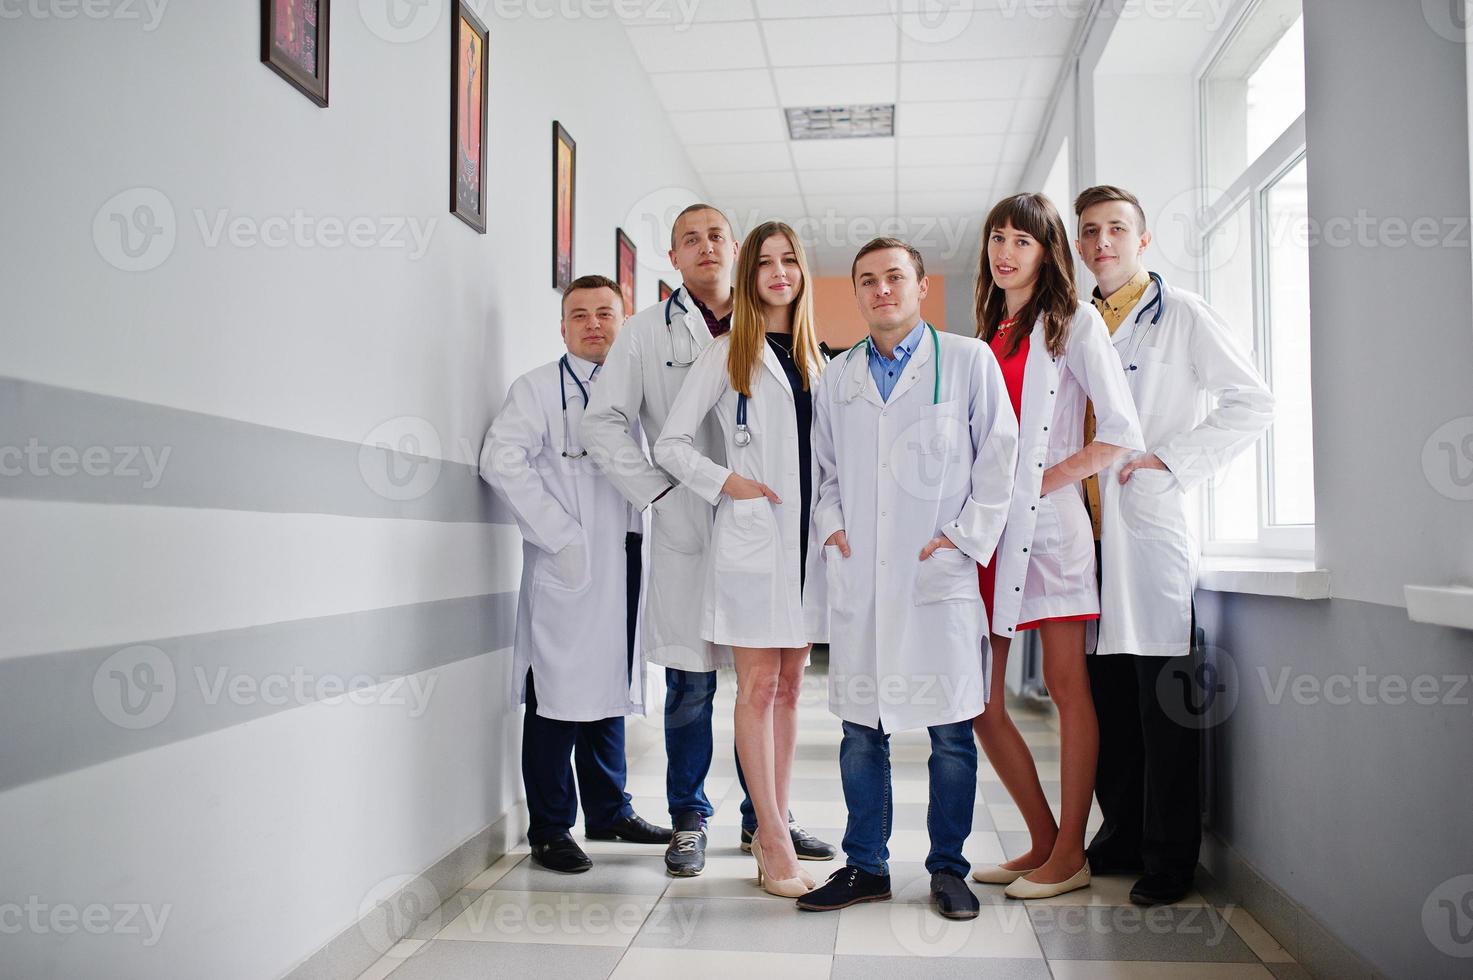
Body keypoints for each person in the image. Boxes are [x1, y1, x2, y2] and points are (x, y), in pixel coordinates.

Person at [581, 204, 835, 877]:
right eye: (688, 240)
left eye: (715, 235)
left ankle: (766, 820)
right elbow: (602, 425)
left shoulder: (798, 340)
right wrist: (663, 493)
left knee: (778, 683)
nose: (704, 248)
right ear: (673, 257)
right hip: (693, 526)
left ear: (735, 250)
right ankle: (689, 819)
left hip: (775, 532)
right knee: (693, 685)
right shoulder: (645, 334)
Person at [797, 237, 1018, 921]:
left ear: (920, 286)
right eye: (866, 280)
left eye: (894, 277)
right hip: (863, 574)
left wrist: (961, 540)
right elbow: (825, 472)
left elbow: (999, 461)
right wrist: (832, 526)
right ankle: (865, 866)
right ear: (858, 293)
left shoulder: (967, 360)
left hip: (936, 572)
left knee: (951, 730)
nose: (880, 289)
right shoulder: (837, 375)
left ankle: (948, 870)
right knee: (861, 730)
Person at [1073, 185, 1274, 907]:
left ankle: (1168, 857)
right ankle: (1121, 834)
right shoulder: (1076, 321)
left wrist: (1173, 463)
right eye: (1089, 230)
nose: (1102, 242)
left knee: (1161, 701)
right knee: (1106, 700)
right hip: (1084, 535)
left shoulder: (1180, 313)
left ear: (1142, 239)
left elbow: (1252, 401)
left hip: (1144, 526)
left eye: (1115, 229)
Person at [969, 192, 1144, 901]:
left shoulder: (1070, 326)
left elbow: (1120, 430)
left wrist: (1045, 479)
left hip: (1052, 529)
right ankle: (1041, 838)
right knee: (980, 701)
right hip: (991, 533)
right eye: (997, 239)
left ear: (1047, 253)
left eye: (1022, 240)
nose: (1005, 252)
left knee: (1069, 691)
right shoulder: (991, 332)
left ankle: (1070, 851)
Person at [654, 221, 829, 898]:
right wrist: (728, 482)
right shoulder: (728, 352)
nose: (779, 272)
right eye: (765, 263)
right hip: (754, 540)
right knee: (757, 689)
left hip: (806, 548)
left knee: (790, 688)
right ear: (749, 276)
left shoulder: (820, 360)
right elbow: (670, 443)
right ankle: (774, 840)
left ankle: (770, 823)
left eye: (790, 260)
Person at [478, 274, 671, 873]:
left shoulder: (640, 390)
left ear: (625, 320)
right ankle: (550, 827)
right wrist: (561, 536)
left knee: (607, 684)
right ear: (562, 327)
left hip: (628, 555)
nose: (593, 324)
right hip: (570, 561)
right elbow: (500, 459)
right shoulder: (537, 389)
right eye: (580, 315)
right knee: (555, 696)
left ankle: (609, 810)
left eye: (606, 313)